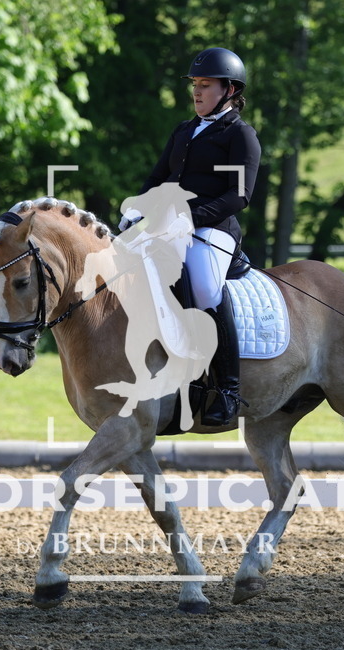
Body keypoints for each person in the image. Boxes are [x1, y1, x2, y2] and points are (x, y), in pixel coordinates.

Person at [121, 47, 261, 427]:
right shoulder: (183, 130)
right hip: (169, 227)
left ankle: (228, 391)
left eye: (206, 86)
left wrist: (191, 218)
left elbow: (239, 195)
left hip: (214, 231)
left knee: (204, 288)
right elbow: (157, 177)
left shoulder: (240, 135)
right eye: (195, 86)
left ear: (230, 90)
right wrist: (138, 207)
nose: (197, 93)